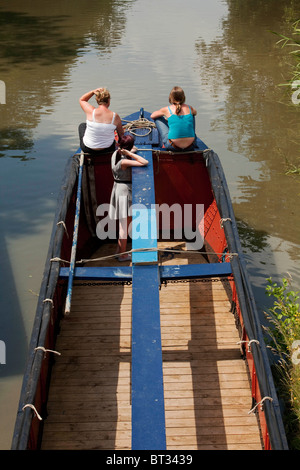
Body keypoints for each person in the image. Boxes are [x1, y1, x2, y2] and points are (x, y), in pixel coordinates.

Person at [109, 135, 148, 261]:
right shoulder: (124, 161)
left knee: (123, 223)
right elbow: (144, 162)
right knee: (124, 226)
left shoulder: (115, 154)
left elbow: (133, 148)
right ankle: (123, 255)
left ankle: (119, 251)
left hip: (117, 189)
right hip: (124, 192)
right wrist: (131, 153)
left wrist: (129, 151)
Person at [151, 86, 198, 151]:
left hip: (173, 146)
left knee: (157, 118)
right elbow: (195, 113)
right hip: (190, 146)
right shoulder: (190, 108)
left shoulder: (167, 109)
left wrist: (167, 118)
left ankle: (164, 143)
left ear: (171, 98)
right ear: (183, 97)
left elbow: (152, 116)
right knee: (192, 115)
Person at [79, 87, 124, 154]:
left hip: (88, 149)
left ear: (97, 100)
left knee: (82, 125)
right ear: (109, 100)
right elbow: (121, 134)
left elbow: (82, 100)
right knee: (113, 128)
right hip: (108, 149)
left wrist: (92, 92)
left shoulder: (91, 111)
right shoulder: (115, 116)